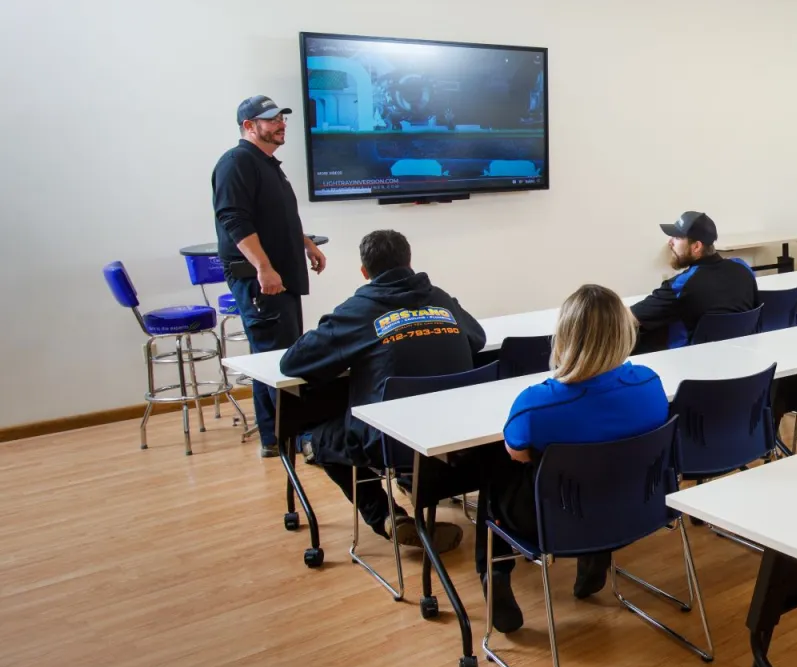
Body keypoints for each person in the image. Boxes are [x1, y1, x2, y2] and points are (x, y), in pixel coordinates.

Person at [480, 285, 670, 633]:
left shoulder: (537, 403)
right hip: (637, 505)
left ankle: (494, 574)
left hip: (558, 519)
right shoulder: (650, 382)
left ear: (564, 336)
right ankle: (596, 553)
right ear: (624, 331)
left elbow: (516, 453)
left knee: (493, 474)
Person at [280, 230, 485, 551]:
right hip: (455, 437)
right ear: (409, 262)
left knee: (320, 439)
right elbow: (478, 340)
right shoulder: (441, 299)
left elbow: (293, 362)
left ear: (365, 272)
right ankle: (413, 486)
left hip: (391, 444)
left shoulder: (357, 311)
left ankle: (388, 517)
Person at [213, 95, 328, 457]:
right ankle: (285, 437)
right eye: (270, 120)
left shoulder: (266, 163)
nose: (280, 124)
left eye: (281, 118)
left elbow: (278, 217)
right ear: (249, 126)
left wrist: (306, 243)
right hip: (261, 282)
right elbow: (235, 221)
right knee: (276, 360)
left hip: (281, 278)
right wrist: (264, 268)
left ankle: (281, 436)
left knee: (278, 356)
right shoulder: (236, 164)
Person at [631, 211, 758, 351]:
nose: (670, 242)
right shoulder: (744, 269)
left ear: (696, 247)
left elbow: (630, 318)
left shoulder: (681, 286)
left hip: (689, 365)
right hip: (742, 360)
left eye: (677, 237)